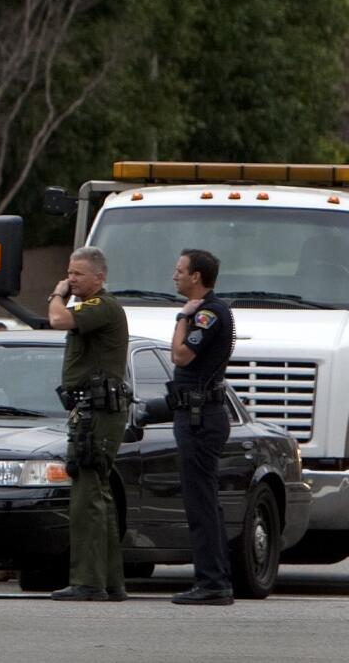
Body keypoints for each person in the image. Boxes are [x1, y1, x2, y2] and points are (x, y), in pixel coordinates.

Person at [46, 247, 130, 603]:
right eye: (69, 272)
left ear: (99, 277)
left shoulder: (102, 306)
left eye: (78, 274)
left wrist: (56, 293)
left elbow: (58, 320)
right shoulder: (88, 308)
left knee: (86, 496)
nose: (71, 279)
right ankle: (108, 581)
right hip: (89, 410)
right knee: (98, 494)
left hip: (97, 412)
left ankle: (88, 581)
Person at [168, 249, 236, 605]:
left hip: (200, 418)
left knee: (201, 502)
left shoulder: (207, 312)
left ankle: (212, 583)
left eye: (179, 270)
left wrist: (183, 317)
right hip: (197, 415)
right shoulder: (208, 311)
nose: (174, 276)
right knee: (203, 500)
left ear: (196, 277)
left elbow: (180, 355)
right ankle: (215, 579)